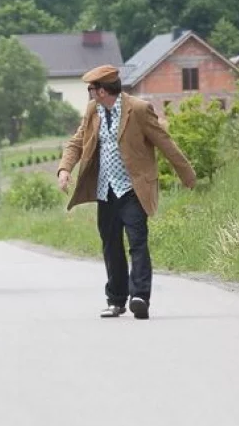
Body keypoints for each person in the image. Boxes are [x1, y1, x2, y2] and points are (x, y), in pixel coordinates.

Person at [56, 65, 196, 320]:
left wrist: (186, 173)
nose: (89, 93)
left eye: (92, 88)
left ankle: (140, 296)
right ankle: (116, 300)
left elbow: (165, 142)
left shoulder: (139, 110)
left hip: (133, 188)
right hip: (105, 190)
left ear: (103, 90)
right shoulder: (92, 111)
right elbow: (77, 142)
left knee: (137, 242)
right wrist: (65, 169)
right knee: (111, 246)